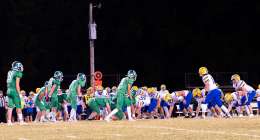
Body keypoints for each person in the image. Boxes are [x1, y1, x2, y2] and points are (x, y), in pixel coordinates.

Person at [6, 61, 26, 125]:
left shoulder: (10, 72)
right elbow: (17, 85)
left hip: (8, 90)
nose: (21, 68)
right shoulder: (18, 73)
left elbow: (8, 82)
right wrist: (20, 94)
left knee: (10, 107)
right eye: (20, 66)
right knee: (18, 106)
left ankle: (9, 121)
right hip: (14, 91)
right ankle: (21, 121)